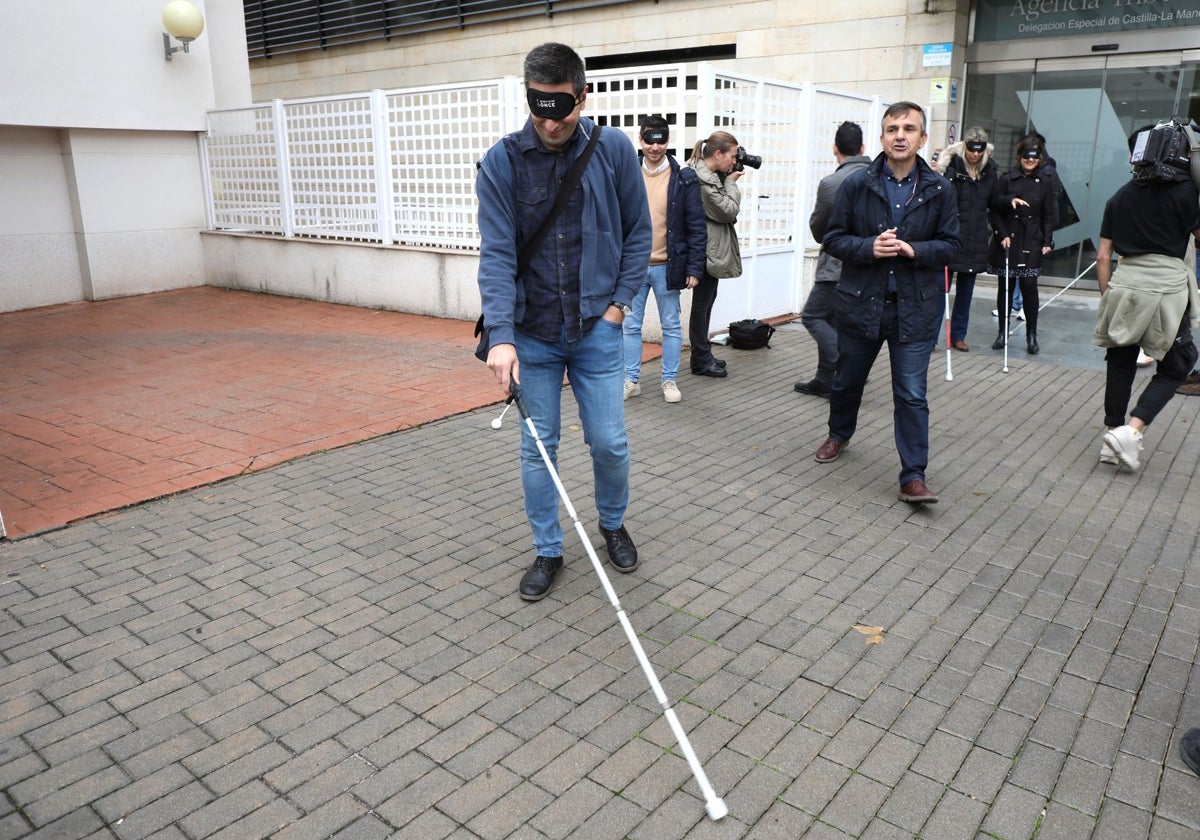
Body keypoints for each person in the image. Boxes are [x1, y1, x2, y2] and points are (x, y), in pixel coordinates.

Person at [475, 43, 653, 601]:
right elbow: (497, 256)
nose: (550, 122)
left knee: (609, 443)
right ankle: (548, 550)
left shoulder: (614, 149)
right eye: (538, 107)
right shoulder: (502, 161)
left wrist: (619, 305)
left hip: (597, 330)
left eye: (561, 108)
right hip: (533, 336)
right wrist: (501, 338)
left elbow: (638, 234)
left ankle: (612, 523)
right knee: (538, 448)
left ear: (582, 94)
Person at [812, 101, 960, 504]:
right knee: (847, 381)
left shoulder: (939, 189)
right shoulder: (856, 186)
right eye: (892, 128)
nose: (900, 135)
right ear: (881, 137)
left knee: (911, 394)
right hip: (861, 303)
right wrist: (868, 247)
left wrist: (916, 250)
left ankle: (913, 475)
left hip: (914, 307)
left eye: (908, 129)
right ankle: (838, 433)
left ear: (922, 138)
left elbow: (951, 245)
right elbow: (832, 238)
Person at [1093, 121, 1200, 470]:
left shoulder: (1119, 196)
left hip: (1124, 286)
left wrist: (1109, 295)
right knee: (1179, 364)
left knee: (1120, 361)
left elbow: (1103, 257)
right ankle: (1132, 431)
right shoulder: (1187, 193)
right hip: (1166, 289)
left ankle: (1112, 437)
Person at [623, 115, 707, 404]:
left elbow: (696, 225)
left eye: (660, 141)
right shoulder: (626, 173)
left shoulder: (684, 178)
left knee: (670, 326)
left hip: (667, 267)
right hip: (632, 267)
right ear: (641, 140)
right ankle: (631, 380)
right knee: (629, 326)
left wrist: (695, 267)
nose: (655, 147)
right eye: (649, 141)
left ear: (667, 142)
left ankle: (669, 381)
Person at [794, 121, 870, 396]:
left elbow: (818, 228)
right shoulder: (879, 177)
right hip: (869, 263)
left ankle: (848, 366)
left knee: (813, 316)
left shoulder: (832, 182)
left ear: (835, 148)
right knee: (837, 320)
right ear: (862, 148)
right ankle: (826, 379)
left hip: (837, 264)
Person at [988, 135, 1058, 355]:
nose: (1030, 160)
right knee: (1005, 288)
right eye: (1026, 156)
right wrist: (1002, 234)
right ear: (1019, 157)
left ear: (1039, 158)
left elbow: (1049, 214)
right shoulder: (1007, 178)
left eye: (1034, 157)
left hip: (1031, 238)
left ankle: (1031, 335)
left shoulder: (1045, 181)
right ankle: (1002, 332)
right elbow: (993, 208)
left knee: (1029, 288)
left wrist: (1047, 240)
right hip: (1009, 238)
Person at [936, 126, 1000, 352]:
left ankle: (958, 335)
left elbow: (994, 202)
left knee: (966, 292)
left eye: (979, 150)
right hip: (951, 235)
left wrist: (1009, 202)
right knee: (940, 290)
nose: (974, 154)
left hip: (975, 238)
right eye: (971, 150)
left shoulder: (990, 170)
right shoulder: (950, 167)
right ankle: (933, 336)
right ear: (964, 147)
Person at [687, 131, 744, 378]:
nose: (734, 161)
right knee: (702, 305)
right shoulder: (704, 181)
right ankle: (700, 359)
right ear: (718, 153)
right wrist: (731, 182)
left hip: (709, 249)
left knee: (706, 303)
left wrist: (725, 178)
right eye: (732, 156)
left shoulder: (709, 176)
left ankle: (703, 354)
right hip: (705, 251)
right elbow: (728, 211)